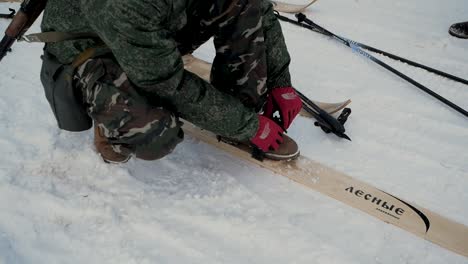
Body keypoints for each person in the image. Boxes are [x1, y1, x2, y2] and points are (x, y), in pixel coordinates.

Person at [39, 0, 302, 163]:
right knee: (155, 133)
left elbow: (257, 8)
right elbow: (166, 82)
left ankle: (234, 113)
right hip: (92, 47)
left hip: (152, 27)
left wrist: (280, 81)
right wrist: (248, 126)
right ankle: (108, 125)